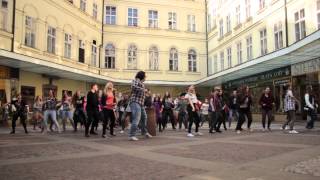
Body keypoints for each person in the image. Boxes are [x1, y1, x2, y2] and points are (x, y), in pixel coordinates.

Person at [128, 71, 152, 141]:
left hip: (140, 103)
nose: (146, 77)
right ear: (142, 76)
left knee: (144, 117)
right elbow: (133, 87)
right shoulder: (136, 80)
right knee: (136, 118)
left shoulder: (142, 83)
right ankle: (131, 135)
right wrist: (143, 90)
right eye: (145, 76)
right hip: (135, 102)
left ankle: (144, 132)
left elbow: (142, 94)